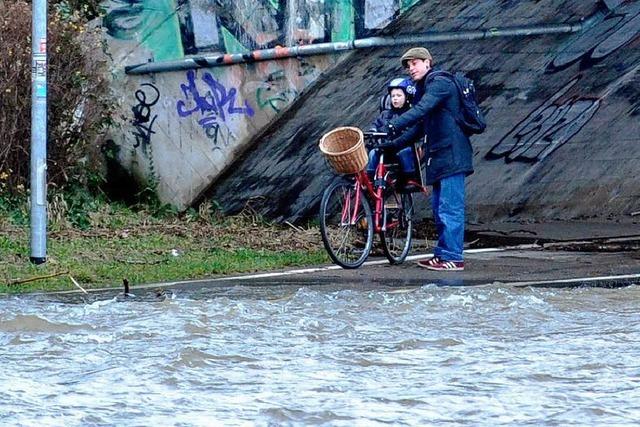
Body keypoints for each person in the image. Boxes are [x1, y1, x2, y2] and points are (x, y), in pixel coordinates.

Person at [387, 47, 474, 271]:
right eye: (408, 65)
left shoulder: (440, 83)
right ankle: (443, 253)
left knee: (450, 208)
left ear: (428, 63)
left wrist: (394, 124)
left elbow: (422, 110)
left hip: (452, 154)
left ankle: (454, 258)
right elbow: (419, 127)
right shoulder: (424, 88)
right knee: (438, 208)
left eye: (415, 63)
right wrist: (391, 145)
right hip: (438, 157)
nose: (411, 68)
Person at [366, 77, 422, 188]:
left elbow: (414, 131)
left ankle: (409, 178)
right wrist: (373, 131)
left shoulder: (411, 114)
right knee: (373, 153)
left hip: (402, 146)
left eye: (399, 96)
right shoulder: (385, 114)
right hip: (387, 147)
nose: (395, 99)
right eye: (393, 96)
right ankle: (370, 180)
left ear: (407, 97)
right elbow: (376, 125)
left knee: (404, 153)